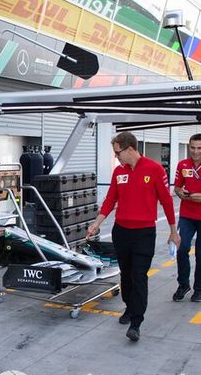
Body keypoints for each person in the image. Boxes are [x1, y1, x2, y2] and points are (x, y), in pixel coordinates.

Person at [86, 132, 180, 342]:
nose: (116, 157)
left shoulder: (155, 170)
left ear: (129, 149)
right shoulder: (119, 172)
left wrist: (173, 231)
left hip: (144, 233)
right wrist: (96, 224)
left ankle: (136, 322)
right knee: (126, 275)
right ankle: (129, 307)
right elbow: (110, 200)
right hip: (122, 232)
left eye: (118, 152)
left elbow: (166, 201)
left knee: (139, 276)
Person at [172, 133, 201, 302]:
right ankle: (183, 284)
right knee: (182, 250)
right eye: (193, 148)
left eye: (199, 148)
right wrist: (181, 193)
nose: (195, 152)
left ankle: (199, 289)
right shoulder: (183, 165)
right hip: (187, 215)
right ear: (188, 147)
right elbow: (176, 187)